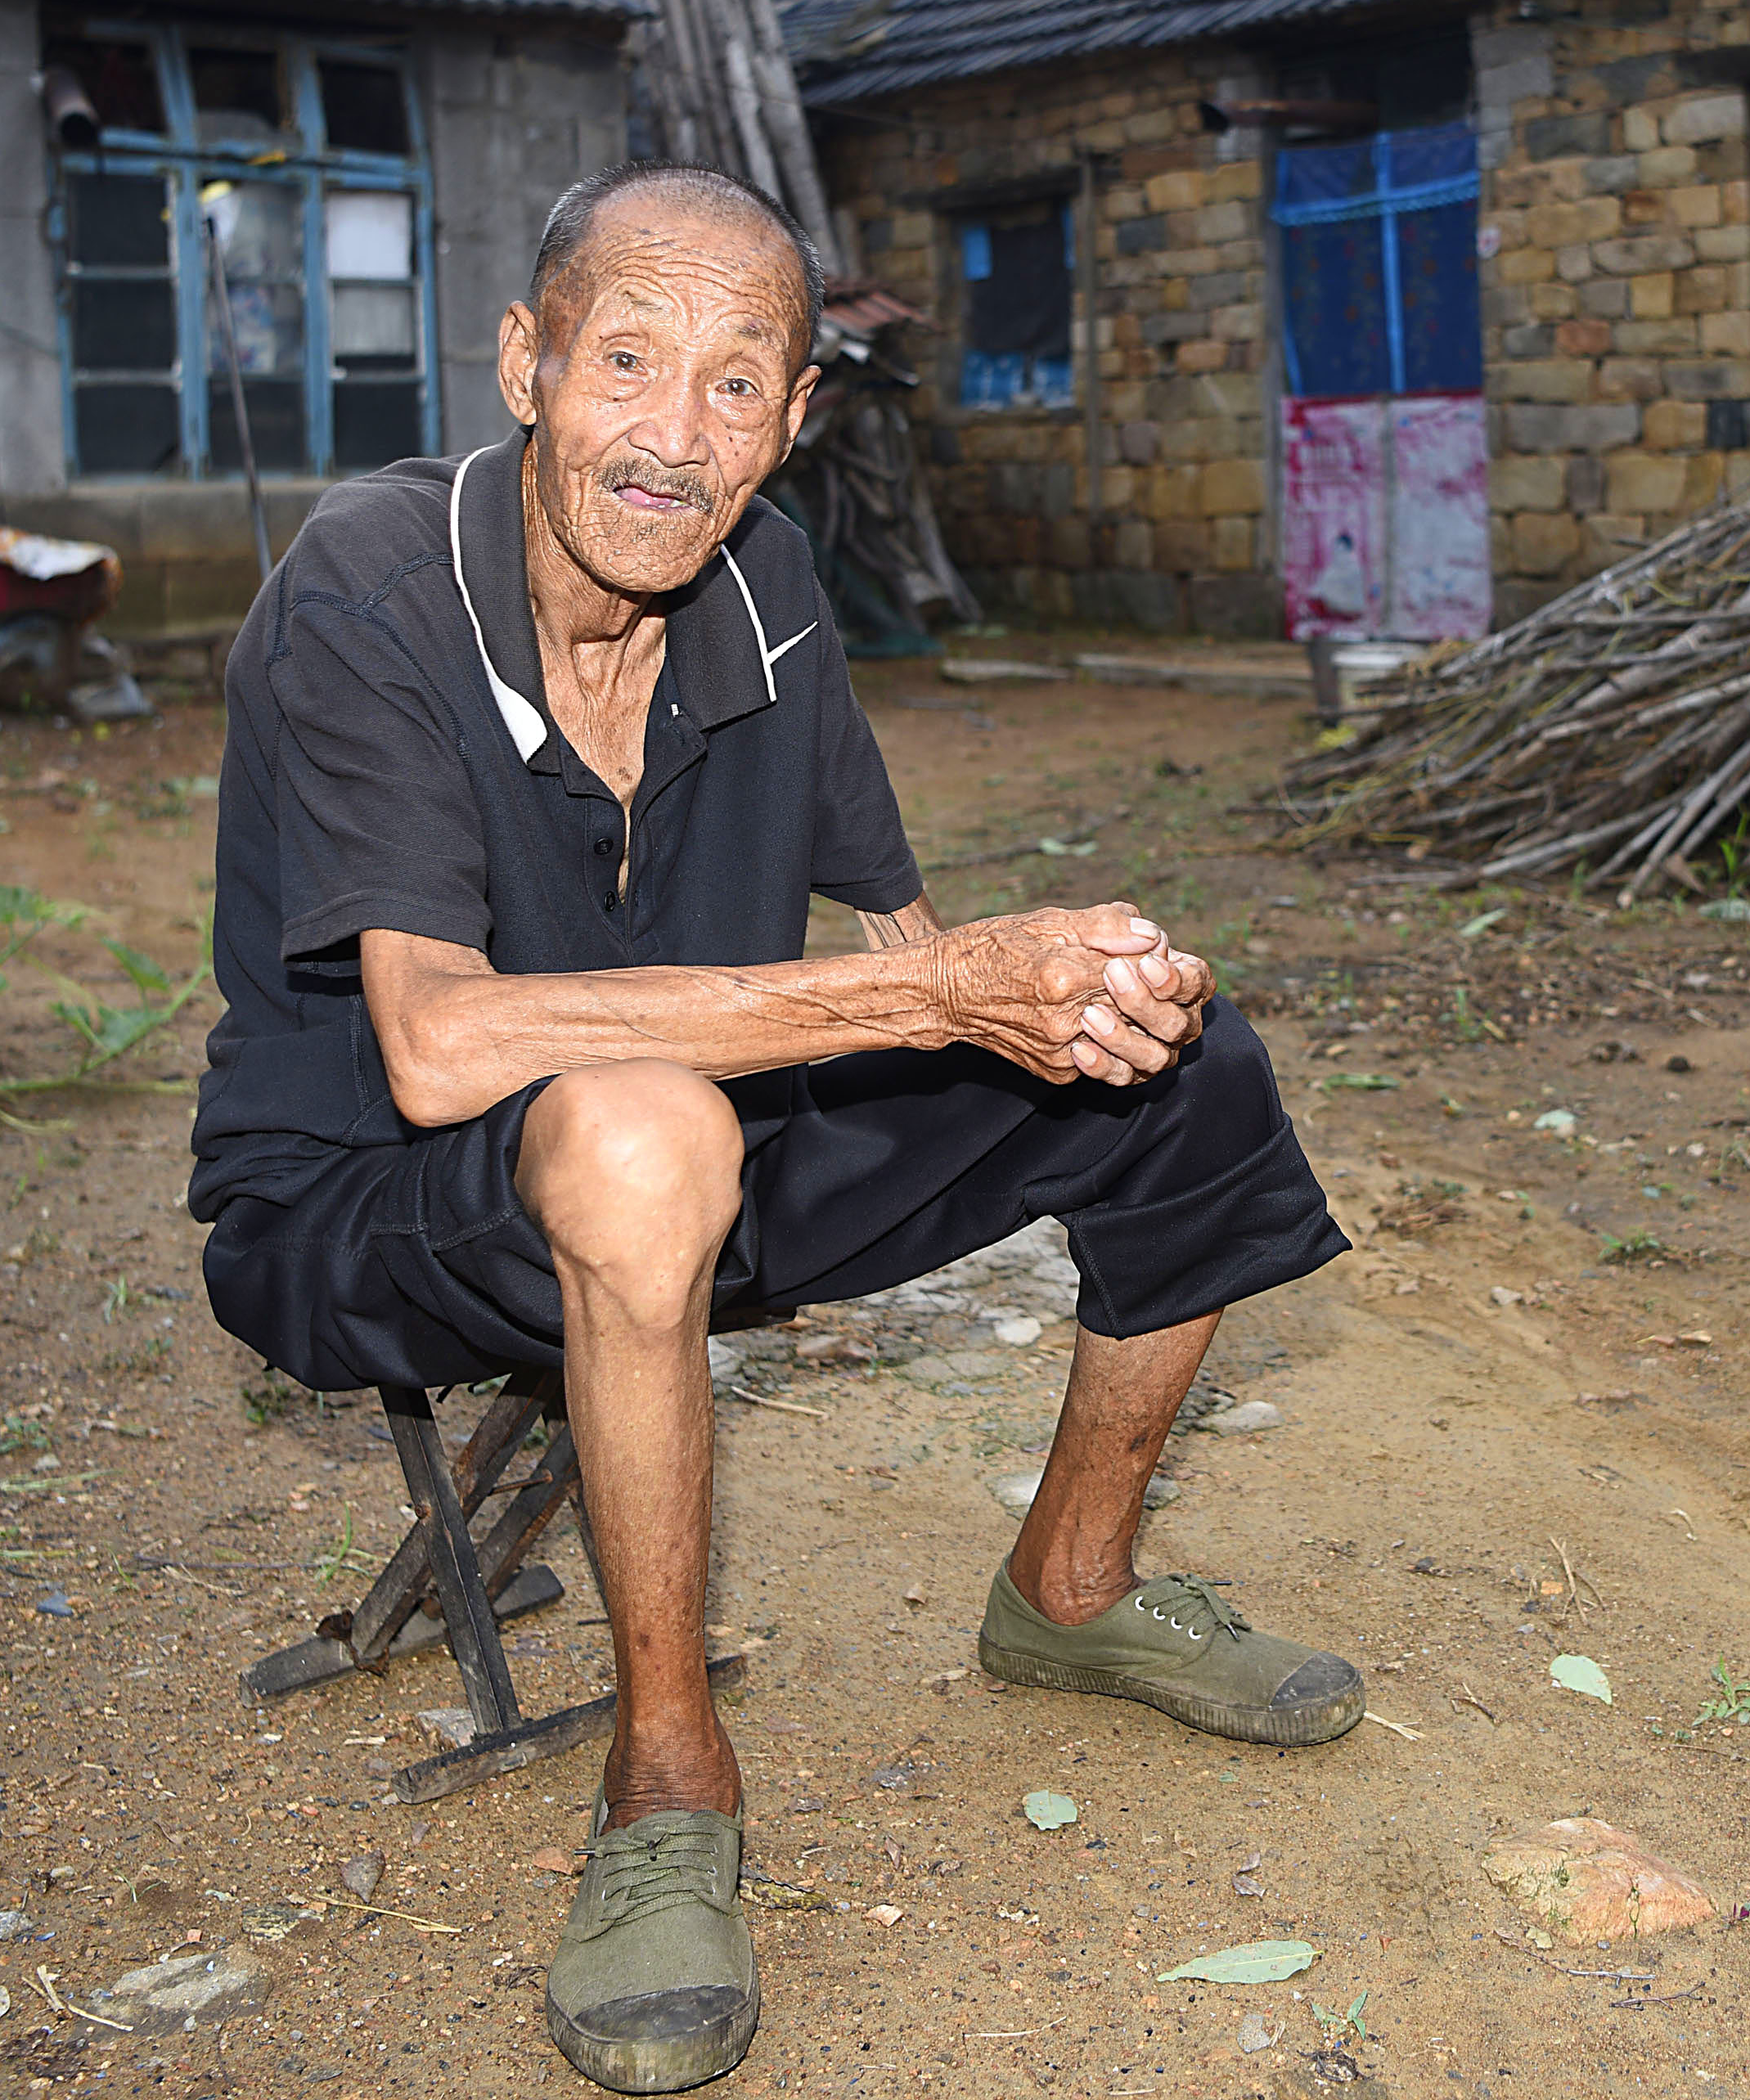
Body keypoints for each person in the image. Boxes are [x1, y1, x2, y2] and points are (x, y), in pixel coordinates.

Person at [184, 161, 1358, 2094]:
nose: (673, 434)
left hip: (711, 1144)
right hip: (365, 1202)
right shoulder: (376, 582)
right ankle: (665, 1787)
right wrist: (939, 993)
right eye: (627, 360)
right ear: (526, 365)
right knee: (642, 1130)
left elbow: (912, 942)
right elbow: (437, 1043)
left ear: (795, 419)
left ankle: (1073, 1585)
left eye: (738, 383)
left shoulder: (769, 590)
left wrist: (1067, 998)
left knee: (1180, 1064)